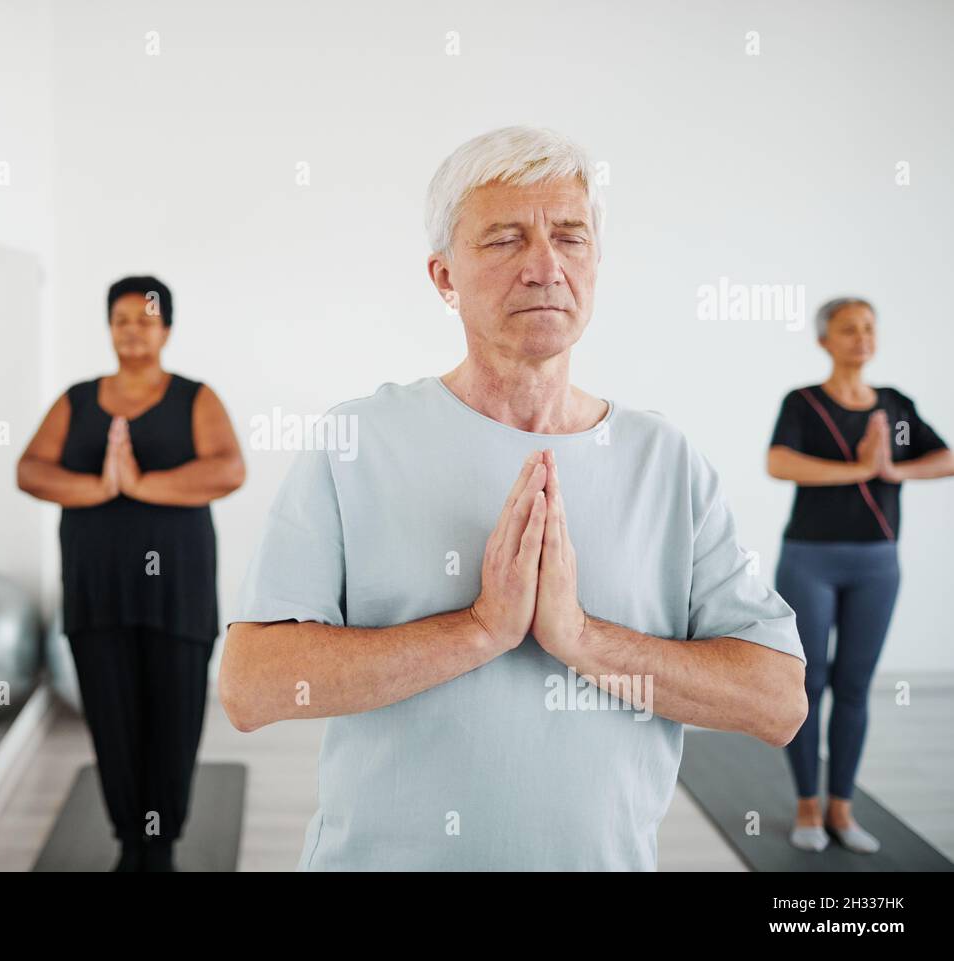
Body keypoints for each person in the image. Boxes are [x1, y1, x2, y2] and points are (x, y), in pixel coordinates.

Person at [219, 125, 809, 871]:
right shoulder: (357, 441)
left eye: (570, 236)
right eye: (503, 240)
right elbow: (251, 686)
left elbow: (777, 700)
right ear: (443, 276)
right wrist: (476, 630)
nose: (544, 266)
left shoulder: (666, 461)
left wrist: (582, 638)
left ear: (596, 262)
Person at [17, 275, 245, 871]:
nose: (133, 330)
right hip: (98, 591)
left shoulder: (196, 398)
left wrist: (141, 485)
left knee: (174, 717)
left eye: (145, 319)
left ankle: (162, 844)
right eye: (122, 319)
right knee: (111, 718)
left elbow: (228, 469)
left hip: (178, 591)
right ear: (108, 327)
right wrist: (99, 486)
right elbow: (30, 470)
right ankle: (129, 842)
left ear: (166, 328)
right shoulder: (76, 399)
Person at [768, 297, 952, 855]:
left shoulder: (895, 406)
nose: (862, 337)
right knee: (808, 683)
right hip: (810, 559)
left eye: (869, 327)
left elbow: (945, 458)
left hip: (877, 563)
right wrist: (860, 471)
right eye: (848, 329)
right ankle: (806, 806)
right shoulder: (803, 402)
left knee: (854, 686)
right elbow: (779, 463)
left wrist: (892, 469)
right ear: (825, 340)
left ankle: (841, 810)